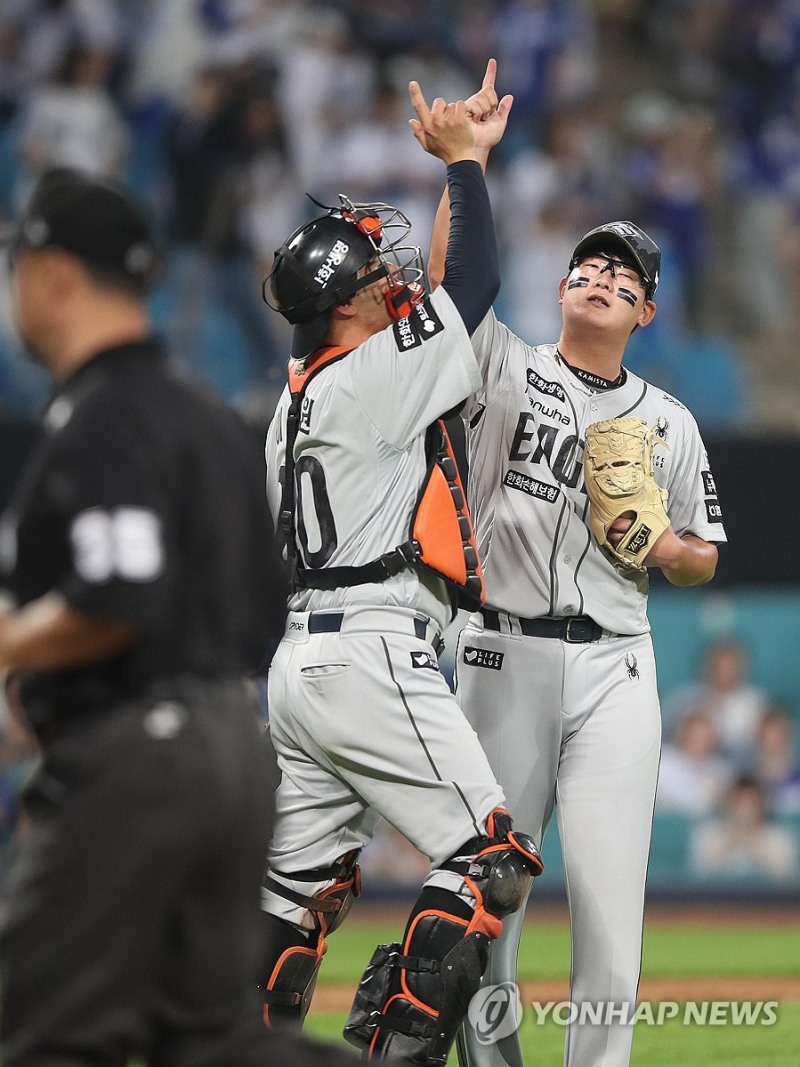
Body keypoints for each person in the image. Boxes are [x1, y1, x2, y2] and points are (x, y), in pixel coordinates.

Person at [0, 165, 356, 1067]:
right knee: (212, 1041)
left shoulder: (102, 416)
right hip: (231, 749)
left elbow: (117, 596)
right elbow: (254, 608)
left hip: (136, 762)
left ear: (53, 274)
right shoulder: (207, 416)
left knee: (46, 1036)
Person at [415, 61, 728, 1067]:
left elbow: (701, 557)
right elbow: (449, 285)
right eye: (589, 267)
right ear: (562, 287)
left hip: (614, 667)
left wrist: (661, 546)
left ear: (645, 314)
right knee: (487, 906)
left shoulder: (669, 422)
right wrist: (463, 164)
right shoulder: (503, 363)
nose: (601, 279)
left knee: (607, 910)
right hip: (499, 654)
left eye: (623, 279)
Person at [258, 87, 542, 1066]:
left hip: (302, 663)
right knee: (486, 858)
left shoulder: (294, 402)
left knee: (290, 900)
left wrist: (463, 164)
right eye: (376, 274)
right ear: (342, 305)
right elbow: (474, 284)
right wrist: (464, 163)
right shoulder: (370, 378)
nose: (393, 280)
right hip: (372, 648)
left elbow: (439, 299)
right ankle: (396, 1048)